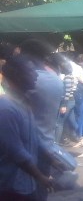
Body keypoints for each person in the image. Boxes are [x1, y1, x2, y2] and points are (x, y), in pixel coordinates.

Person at [0, 55, 55, 200]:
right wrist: (40, 177)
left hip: (26, 184)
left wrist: (51, 158)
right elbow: (15, 151)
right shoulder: (6, 109)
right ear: (18, 76)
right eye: (30, 71)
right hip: (10, 187)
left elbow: (34, 137)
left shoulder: (24, 103)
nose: (36, 74)